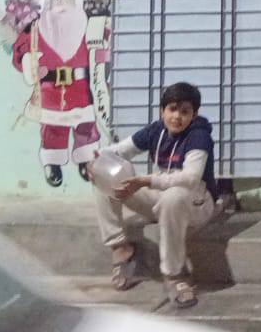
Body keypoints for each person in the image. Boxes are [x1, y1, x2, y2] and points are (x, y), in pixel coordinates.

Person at [90, 81, 216, 309]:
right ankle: (120, 249)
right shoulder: (156, 131)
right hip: (162, 199)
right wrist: (94, 160)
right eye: (172, 109)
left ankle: (174, 275)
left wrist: (145, 181)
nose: (177, 117)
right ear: (162, 110)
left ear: (194, 115)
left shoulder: (199, 136)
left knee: (174, 197)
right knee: (102, 176)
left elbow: (190, 179)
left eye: (185, 111)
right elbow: (118, 151)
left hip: (197, 204)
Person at [13, 0, 103, 187]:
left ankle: (86, 158)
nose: (62, 5)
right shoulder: (36, 30)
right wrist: (28, 63)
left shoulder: (88, 27)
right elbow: (21, 52)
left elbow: (103, 47)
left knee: (85, 125)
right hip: (50, 90)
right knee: (53, 128)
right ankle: (52, 162)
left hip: (81, 88)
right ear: (49, 2)